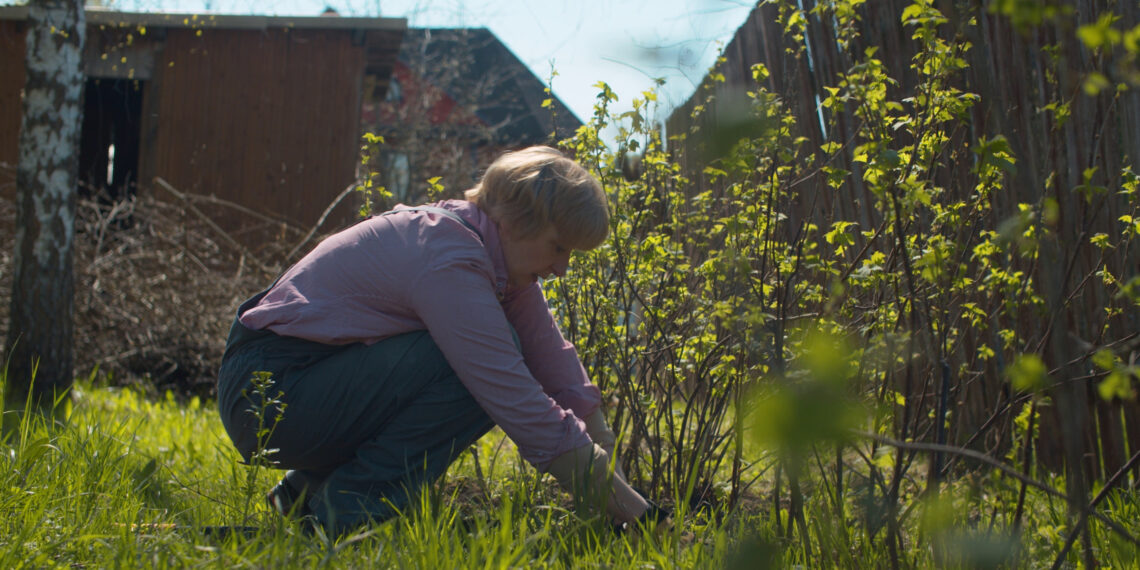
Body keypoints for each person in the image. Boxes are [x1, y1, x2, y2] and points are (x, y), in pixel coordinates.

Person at [216, 146, 664, 536]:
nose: (562, 269)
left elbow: (563, 377)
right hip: (268, 391)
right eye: (559, 247)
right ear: (516, 220)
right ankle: (343, 517)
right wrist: (641, 517)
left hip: (300, 384)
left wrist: (620, 504)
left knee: (485, 354)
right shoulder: (448, 255)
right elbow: (519, 403)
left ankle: (302, 497)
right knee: (471, 367)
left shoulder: (492, 259)